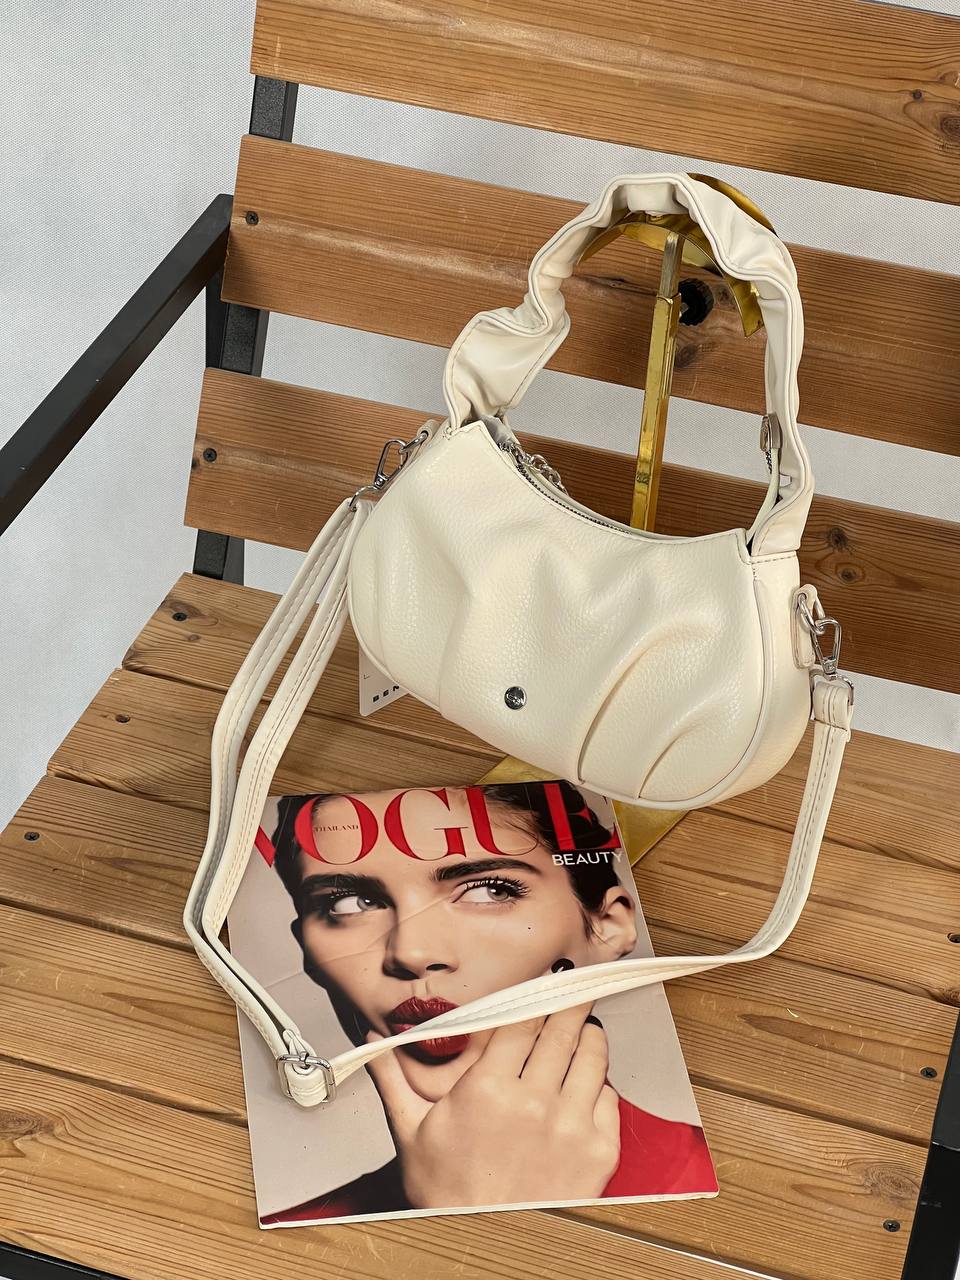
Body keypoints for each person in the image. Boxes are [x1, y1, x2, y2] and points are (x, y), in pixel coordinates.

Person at [259, 780, 716, 1222]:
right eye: (348, 904)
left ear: (606, 926)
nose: (411, 953)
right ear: (306, 951)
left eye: (490, 890)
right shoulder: (279, 1240)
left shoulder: (717, 1205)